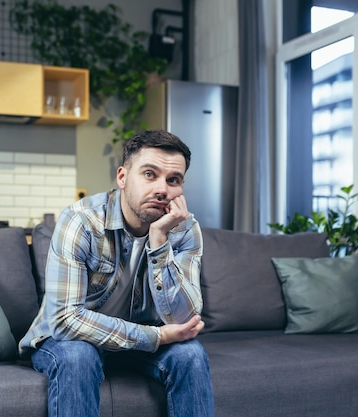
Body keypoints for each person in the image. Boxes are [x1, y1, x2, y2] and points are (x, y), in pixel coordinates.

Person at [19, 129, 214, 417]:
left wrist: (159, 241)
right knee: (77, 356)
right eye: (150, 174)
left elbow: (184, 320)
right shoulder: (81, 221)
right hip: (73, 340)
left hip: (138, 344)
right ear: (122, 177)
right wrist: (155, 337)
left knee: (191, 354)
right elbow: (64, 320)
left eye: (173, 180)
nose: (162, 189)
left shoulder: (184, 229)